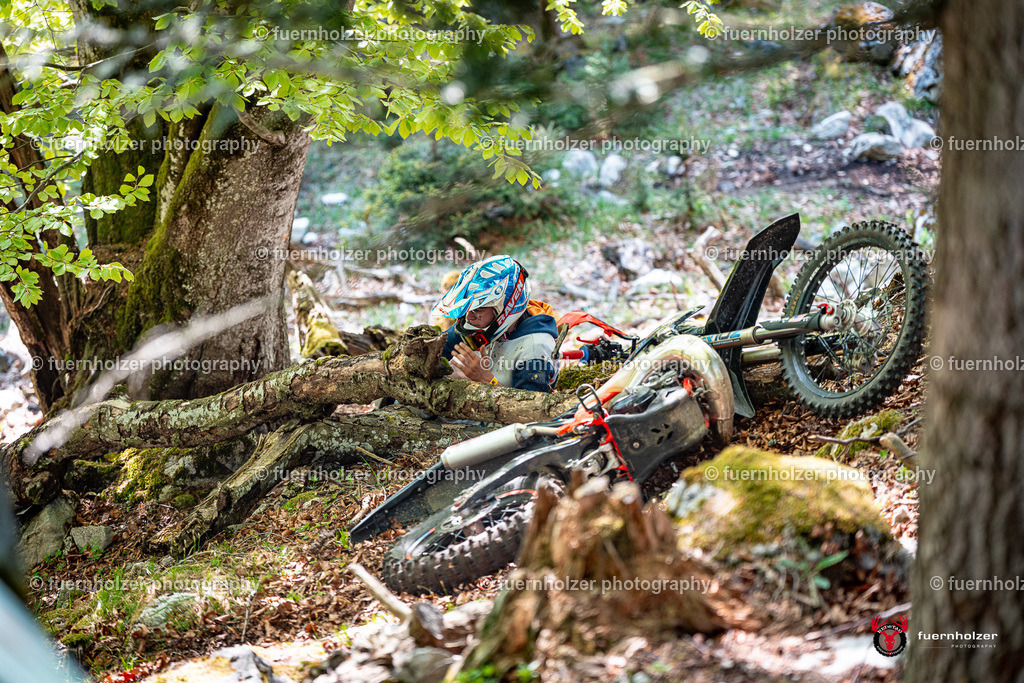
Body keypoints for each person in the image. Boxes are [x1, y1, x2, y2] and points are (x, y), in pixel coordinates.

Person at [433, 255, 558, 392]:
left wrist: (485, 379)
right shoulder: (484, 323)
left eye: (479, 308)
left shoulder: (534, 349)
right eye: (469, 309)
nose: (469, 317)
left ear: (504, 308)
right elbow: (438, 347)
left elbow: (532, 409)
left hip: (507, 408)